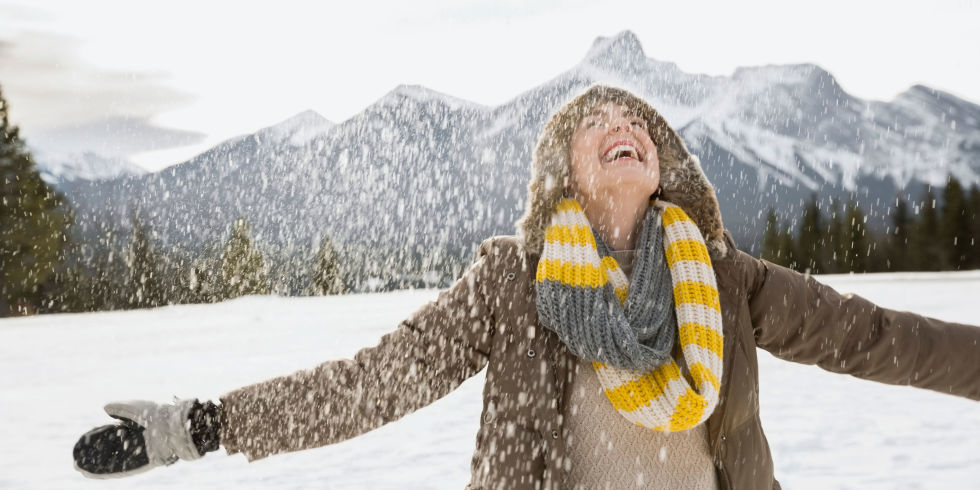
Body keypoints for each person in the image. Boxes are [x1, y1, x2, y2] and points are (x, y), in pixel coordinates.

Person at [73, 85, 980, 489]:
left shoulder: (725, 279)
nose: (619, 123)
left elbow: (872, 336)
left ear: (662, 167)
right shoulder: (515, 285)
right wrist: (201, 427)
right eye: (595, 124)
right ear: (566, 175)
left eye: (635, 121)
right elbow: (370, 385)